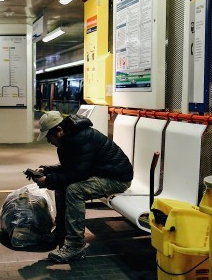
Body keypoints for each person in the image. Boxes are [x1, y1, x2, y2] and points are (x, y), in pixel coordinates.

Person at [28, 111, 133, 263]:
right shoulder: (69, 139)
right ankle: (61, 232)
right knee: (62, 184)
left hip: (117, 178)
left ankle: (75, 245)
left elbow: (79, 173)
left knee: (75, 190)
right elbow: (72, 168)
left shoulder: (81, 139)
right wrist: (47, 170)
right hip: (101, 173)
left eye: (48, 137)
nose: (48, 141)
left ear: (59, 131)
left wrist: (48, 181)